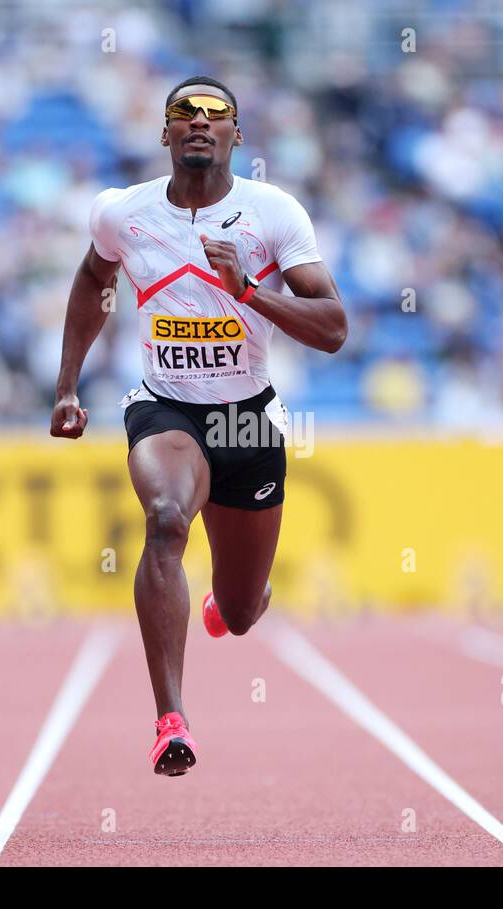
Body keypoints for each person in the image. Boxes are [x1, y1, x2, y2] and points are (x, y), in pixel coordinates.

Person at [51, 77, 346, 776]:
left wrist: (248, 292)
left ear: (237, 136)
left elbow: (333, 328)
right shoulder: (123, 214)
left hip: (247, 420)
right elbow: (94, 282)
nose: (200, 122)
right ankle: (170, 719)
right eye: (184, 112)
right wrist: (66, 385)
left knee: (243, 612)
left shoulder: (274, 214)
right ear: (165, 133)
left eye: (217, 114)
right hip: (166, 407)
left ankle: (228, 599)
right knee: (163, 518)